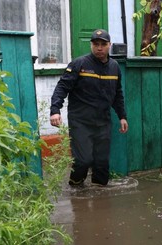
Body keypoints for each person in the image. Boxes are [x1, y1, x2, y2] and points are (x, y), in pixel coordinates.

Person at [50, 29, 128, 187]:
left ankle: (100, 199)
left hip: (103, 122)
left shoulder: (114, 67)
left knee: (102, 164)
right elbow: (62, 87)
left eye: (103, 44)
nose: (99, 48)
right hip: (80, 121)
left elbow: (117, 95)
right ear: (91, 45)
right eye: (96, 44)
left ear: (109, 45)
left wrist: (122, 116)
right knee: (83, 160)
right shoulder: (79, 64)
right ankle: (75, 189)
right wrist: (55, 110)